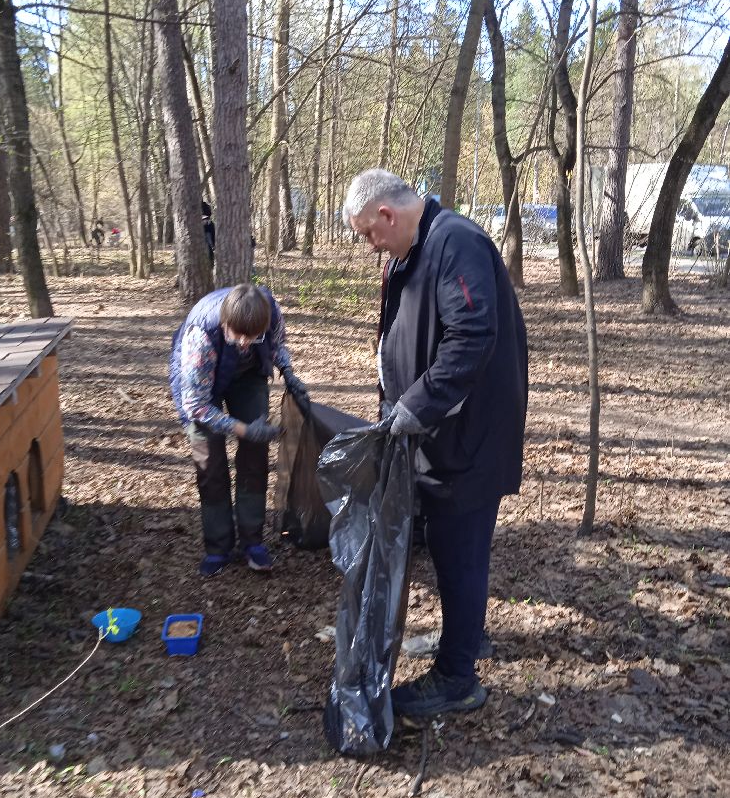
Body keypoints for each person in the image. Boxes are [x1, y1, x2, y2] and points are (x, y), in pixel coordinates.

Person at [343, 169, 528, 718]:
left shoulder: (456, 242)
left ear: (386, 215)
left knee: (459, 550)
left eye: (368, 234)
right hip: (435, 434)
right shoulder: (412, 251)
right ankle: (467, 639)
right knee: (451, 548)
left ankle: (458, 677)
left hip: (467, 440)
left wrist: (414, 406)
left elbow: (472, 337)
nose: (370, 245)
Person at [169, 283, 310, 577]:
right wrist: (243, 429)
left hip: (247, 376)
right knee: (209, 463)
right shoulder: (202, 336)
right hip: (201, 387)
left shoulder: (268, 311)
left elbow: (277, 344)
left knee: (255, 456)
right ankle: (218, 547)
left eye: (253, 336)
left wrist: (289, 374)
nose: (246, 343)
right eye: (238, 336)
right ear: (225, 324)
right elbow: (196, 405)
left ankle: (252, 542)